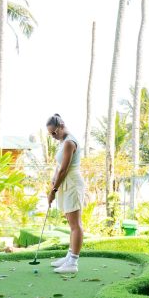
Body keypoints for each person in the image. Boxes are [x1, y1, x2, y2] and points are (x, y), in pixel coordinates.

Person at [46, 114, 85, 273]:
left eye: (54, 133)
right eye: (50, 134)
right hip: (65, 184)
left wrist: (54, 190)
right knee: (71, 223)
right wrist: (52, 182)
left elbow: (64, 169)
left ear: (61, 126)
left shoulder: (69, 142)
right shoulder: (63, 141)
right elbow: (58, 167)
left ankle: (73, 263)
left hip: (72, 184)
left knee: (76, 225)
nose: (53, 136)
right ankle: (69, 256)